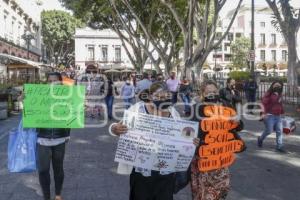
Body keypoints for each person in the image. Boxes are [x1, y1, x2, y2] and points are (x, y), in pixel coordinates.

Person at [109, 82, 200, 200]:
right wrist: (114, 129)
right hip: (142, 173)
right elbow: (117, 126)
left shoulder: (173, 113)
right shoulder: (137, 109)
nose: (162, 100)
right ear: (151, 96)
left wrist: (191, 142)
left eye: (166, 97)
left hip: (165, 174)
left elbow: (181, 138)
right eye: (158, 97)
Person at [191, 80, 244, 200]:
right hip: (204, 157)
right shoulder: (197, 108)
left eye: (214, 91)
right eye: (208, 92)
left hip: (221, 157)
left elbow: (239, 127)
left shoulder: (226, 106)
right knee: (204, 193)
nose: (212, 94)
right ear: (203, 93)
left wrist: (237, 121)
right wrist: (193, 139)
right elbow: (190, 130)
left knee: (221, 191)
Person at [36, 72, 71, 200]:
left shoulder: (67, 96)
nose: (51, 83)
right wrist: (25, 102)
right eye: (49, 81)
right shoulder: (39, 96)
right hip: (42, 138)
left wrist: (81, 107)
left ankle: (57, 194)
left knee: (58, 169)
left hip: (60, 138)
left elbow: (72, 115)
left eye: (55, 81)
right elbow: (30, 114)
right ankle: (46, 196)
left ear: (60, 82)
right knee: (43, 170)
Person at [258, 81, 285, 153]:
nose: (277, 87)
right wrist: (263, 113)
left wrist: (282, 112)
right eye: (276, 85)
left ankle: (279, 146)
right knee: (269, 130)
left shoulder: (280, 94)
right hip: (269, 115)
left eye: (279, 86)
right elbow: (263, 103)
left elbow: (280, 104)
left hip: (278, 115)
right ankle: (260, 139)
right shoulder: (269, 93)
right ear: (272, 86)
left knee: (279, 131)